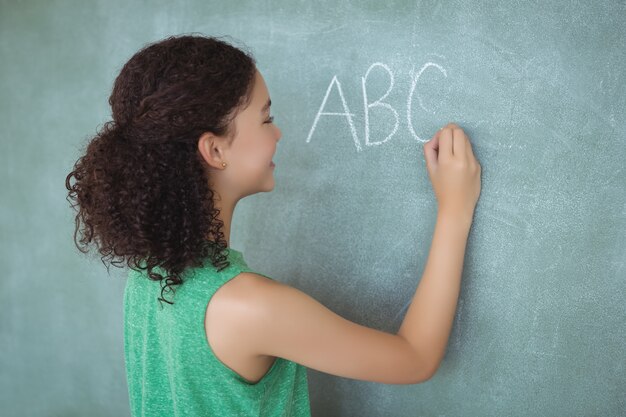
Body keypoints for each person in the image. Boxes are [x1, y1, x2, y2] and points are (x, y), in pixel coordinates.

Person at [65, 34, 481, 417]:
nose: (278, 133)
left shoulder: (148, 276)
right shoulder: (250, 307)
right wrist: (454, 209)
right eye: (265, 119)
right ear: (214, 149)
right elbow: (415, 358)